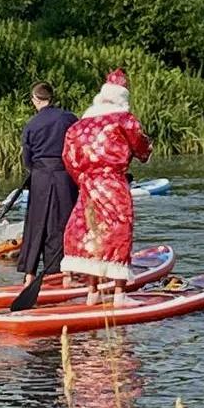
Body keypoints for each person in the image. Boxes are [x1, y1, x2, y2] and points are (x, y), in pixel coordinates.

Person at [62, 70, 152, 305]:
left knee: (91, 230)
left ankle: (93, 291)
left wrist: (82, 178)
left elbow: (68, 158)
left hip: (88, 183)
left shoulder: (79, 126)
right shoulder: (123, 119)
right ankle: (120, 294)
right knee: (119, 229)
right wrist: (145, 154)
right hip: (112, 181)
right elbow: (141, 146)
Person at [18, 82, 78, 281]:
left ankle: (29, 274)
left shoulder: (31, 124)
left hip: (40, 176)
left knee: (36, 224)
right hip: (64, 175)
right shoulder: (68, 118)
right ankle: (64, 273)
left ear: (35, 100)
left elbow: (27, 158)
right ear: (52, 97)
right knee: (63, 223)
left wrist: (36, 170)